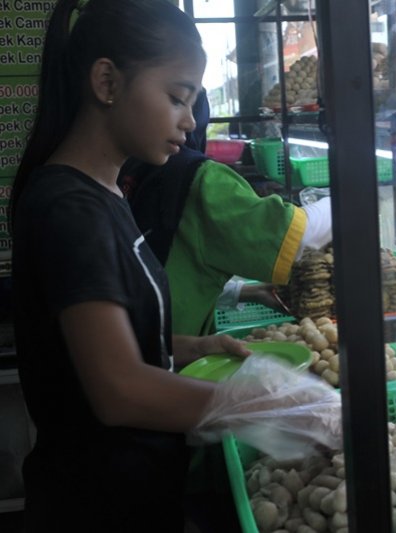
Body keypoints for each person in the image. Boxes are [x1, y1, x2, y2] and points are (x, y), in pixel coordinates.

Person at [9, 1, 339, 530]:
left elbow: (97, 344)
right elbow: (118, 390)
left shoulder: (106, 192)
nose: (190, 120)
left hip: (138, 487)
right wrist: (271, 409)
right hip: (96, 504)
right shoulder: (69, 210)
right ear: (106, 82)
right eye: (176, 97)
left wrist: (192, 348)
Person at [118, 90, 331, 336]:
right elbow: (295, 238)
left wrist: (244, 292)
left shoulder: (135, 164)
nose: (190, 122)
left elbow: (175, 262)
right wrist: (347, 201)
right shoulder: (201, 179)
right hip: (164, 354)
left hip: (150, 337)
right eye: (177, 100)